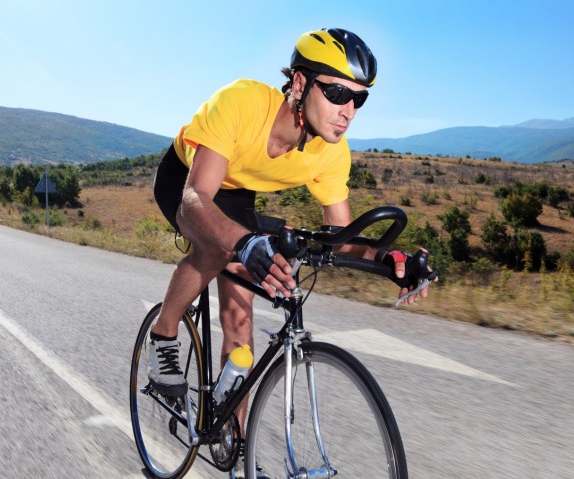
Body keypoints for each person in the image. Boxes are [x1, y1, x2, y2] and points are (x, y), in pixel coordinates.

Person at [148, 28, 432, 398]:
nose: (348, 111)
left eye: (358, 100)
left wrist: (389, 259)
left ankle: (232, 441)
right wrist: (246, 243)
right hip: (187, 178)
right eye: (337, 93)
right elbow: (196, 198)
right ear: (299, 84)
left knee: (240, 318)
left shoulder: (332, 151)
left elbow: (341, 237)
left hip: (236, 192)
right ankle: (163, 334)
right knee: (219, 250)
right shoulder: (241, 102)